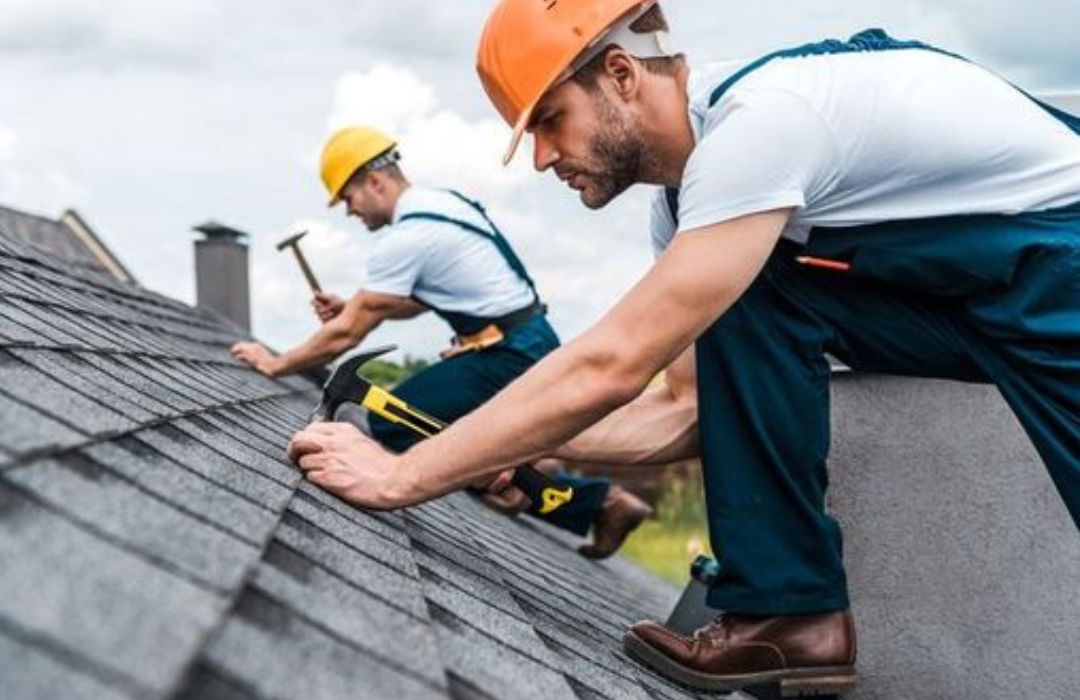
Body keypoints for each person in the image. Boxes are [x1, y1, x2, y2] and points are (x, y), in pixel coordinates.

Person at [287, 0, 1080, 695]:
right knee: (755, 291)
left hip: (1060, 266)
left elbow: (612, 363)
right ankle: (790, 613)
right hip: (975, 299)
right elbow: (685, 412)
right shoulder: (694, 210)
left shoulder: (763, 126)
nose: (540, 157)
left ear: (623, 74)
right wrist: (491, 450)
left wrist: (403, 475)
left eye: (550, 120)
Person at [231, 125, 651, 558]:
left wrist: (275, 363)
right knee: (458, 438)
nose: (350, 212)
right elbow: (412, 303)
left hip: (505, 354)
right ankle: (585, 497)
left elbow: (347, 334)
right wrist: (353, 306)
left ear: (374, 181)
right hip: (520, 343)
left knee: (385, 425)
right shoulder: (443, 206)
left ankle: (579, 495)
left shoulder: (409, 236)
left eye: (348, 199)